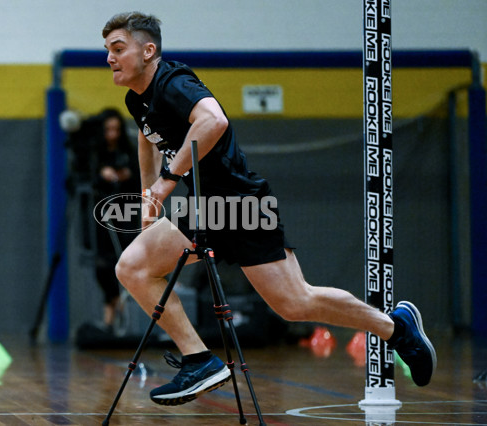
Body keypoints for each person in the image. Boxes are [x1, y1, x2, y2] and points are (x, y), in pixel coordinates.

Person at [102, 12, 436, 406]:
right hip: (207, 208)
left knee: (295, 304)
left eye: (118, 48)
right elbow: (149, 138)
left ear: (149, 50)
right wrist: (148, 196)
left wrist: (166, 182)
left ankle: (395, 328)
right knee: (133, 266)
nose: (110, 57)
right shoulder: (136, 97)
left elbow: (213, 120)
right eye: (107, 50)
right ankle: (199, 360)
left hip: (239, 205)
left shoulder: (173, 81)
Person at [91, 108, 139, 331]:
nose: (113, 134)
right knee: (103, 265)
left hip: (126, 211)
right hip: (103, 213)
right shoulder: (96, 154)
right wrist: (102, 174)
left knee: (127, 259)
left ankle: (126, 312)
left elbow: (140, 177)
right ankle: (112, 304)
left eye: (116, 129)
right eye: (108, 129)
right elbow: (84, 177)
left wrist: (126, 175)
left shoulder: (128, 152)